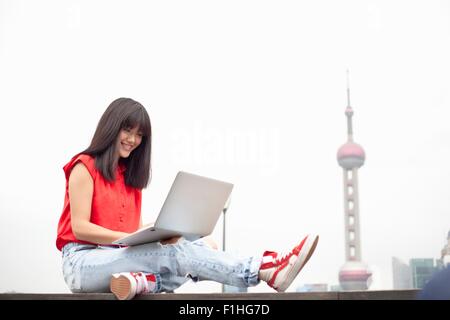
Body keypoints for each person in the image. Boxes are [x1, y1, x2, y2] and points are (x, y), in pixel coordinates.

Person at [56, 97, 319, 300]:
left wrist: (158, 232)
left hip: (114, 256)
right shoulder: (84, 166)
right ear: (112, 127)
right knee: (177, 254)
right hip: (82, 262)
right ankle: (263, 268)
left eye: (139, 135)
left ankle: (142, 282)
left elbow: (126, 228)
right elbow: (81, 227)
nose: (133, 140)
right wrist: (129, 241)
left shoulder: (130, 178)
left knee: (202, 245)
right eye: (128, 130)